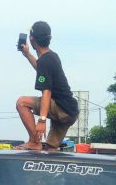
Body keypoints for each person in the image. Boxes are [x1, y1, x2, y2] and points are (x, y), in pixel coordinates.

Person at [16, 21, 79, 151]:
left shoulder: (46, 60)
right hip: (70, 112)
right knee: (50, 149)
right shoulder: (52, 57)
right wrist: (27, 54)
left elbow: (47, 91)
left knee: (21, 103)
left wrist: (42, 120)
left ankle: (34, 141)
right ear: (49, 38)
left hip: (60, 108)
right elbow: (41, 69)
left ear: (31, 39)